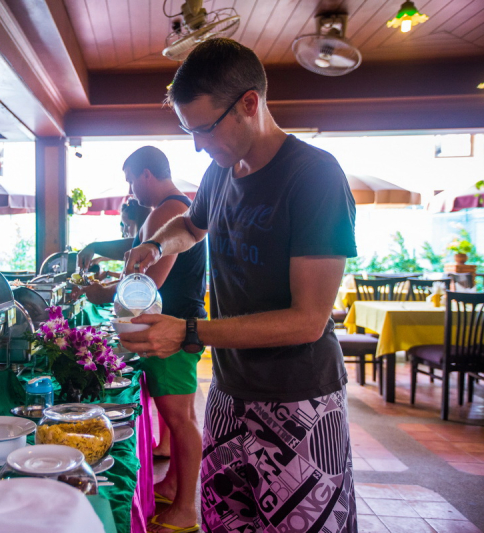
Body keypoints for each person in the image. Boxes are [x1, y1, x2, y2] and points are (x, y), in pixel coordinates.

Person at [120, 38, 358, 533]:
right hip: (230, 390)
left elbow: (308, 321)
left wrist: (188, 331)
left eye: (203, 128)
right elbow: (192, 225)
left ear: (250, 103)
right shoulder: (220, 170)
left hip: (299, 398)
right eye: (188, 130)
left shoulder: (314, 176)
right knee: (225, 521)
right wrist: (157, 245)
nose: (196, 144)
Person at [76, 146, 207, 533]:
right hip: (175, 322)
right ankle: (173, 486)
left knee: (181, 420)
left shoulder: (169, 210)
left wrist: (104, 293)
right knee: (180, 416)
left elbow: (150, 282)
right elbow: (137, 248)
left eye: (132, 180)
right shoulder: (168, 209)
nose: (131, 190)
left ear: (147, 174)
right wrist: (96, 248)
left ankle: (186, 510)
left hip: (173, 326)